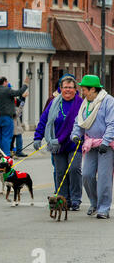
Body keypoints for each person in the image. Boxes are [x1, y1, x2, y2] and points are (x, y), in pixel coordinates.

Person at [34, 75, 83, 211]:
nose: (67, 90)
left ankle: (75, 199)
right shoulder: (54, 103)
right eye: (65, 87)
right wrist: (38, 137)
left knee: (74, 169)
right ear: (60, 88)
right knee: (60, 172)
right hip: (57, 144)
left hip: (74, 143)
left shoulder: (81, 103)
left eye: (70, 87)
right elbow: (44, 120)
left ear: (75, 89)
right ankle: (63, 199)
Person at [71, 74, 114, 219]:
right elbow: (79, 122)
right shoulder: (85, 103)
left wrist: (105, 142)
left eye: (84, 89)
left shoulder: (108, 101)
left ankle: (104, 208)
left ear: (93, 89)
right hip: (90, 144)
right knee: (87, 175)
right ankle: (94, 203)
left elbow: (112, 124)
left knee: (104, 177)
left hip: (105, 146)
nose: (82, 92)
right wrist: (75, 135)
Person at [0, 76, 30, 156]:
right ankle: (6, 155)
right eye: (7, 81)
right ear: (5, 82)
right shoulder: (7, 90)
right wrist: (26, 84)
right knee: (6, 137)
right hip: (7, 117)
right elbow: (19, 92)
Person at [11, 91, 29, 158]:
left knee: (17, 136)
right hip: (12, 122)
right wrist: (23, 98)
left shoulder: (14, 100)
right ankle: (15, 151)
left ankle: (17, 151)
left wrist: (23, 98)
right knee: (12, 138)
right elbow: (17, 112)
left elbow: (21, 103)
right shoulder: (9, 102)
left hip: (16, 123)